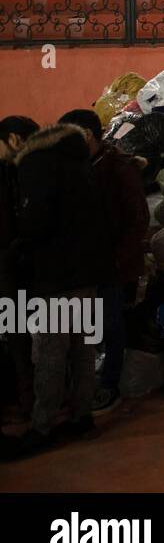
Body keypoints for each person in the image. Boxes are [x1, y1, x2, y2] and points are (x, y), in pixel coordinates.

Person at [1, 121, 114, 460]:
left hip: (56, 274)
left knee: (51, 350)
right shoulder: (77, 159)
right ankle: (82, 417)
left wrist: (20, 242)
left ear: (16, 139)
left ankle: (42, 426)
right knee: (82, 348)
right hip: (88, 271)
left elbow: (36, 220)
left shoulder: (37, 164)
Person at [58, 110, 150, 416]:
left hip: (112, 266)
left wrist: (116, 259)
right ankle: (91, 378)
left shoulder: (119, 169)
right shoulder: (79, 168)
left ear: (86, 135)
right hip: (87, 264)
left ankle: (109, 383)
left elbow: (138, 220)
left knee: (111, 323)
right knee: (90, 325)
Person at [0, 116, 39, 427]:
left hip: (15, 268)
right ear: (14, 139)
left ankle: (26, 398)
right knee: (17, 336)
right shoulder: (11, 172)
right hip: (8, 270)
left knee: (20, 335)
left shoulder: (15, 171)